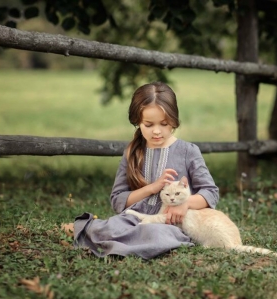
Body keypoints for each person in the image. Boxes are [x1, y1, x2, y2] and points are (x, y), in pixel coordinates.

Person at [62, 81, 219, 260]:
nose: (157, 131)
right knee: (115, 226)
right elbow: (118, 200)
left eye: (164, 124)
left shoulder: (188, 151)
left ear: (174, 121)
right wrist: (152, 188)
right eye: (149, 125)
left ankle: (100, 238)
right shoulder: (132, 152)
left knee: (158, 236)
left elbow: (210, 192)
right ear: (138, 122)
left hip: (169, 224)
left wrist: (185, 204)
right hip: (134, 218)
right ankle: (105, 234)